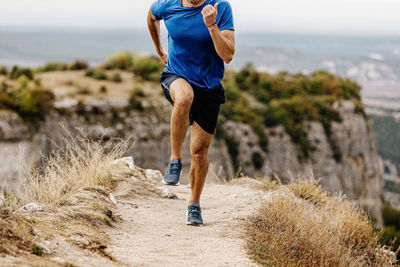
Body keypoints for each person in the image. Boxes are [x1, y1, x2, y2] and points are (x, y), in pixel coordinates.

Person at [147, 0, 235, 226]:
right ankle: (175, 160)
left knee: (199, 152)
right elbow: (151, 16)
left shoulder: (220, 7)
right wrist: (159, 49)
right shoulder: (167, 5)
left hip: (209, 87)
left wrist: (211, 25)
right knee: (184, 98)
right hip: (176, 75)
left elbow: (228, 55)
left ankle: (194, 204)